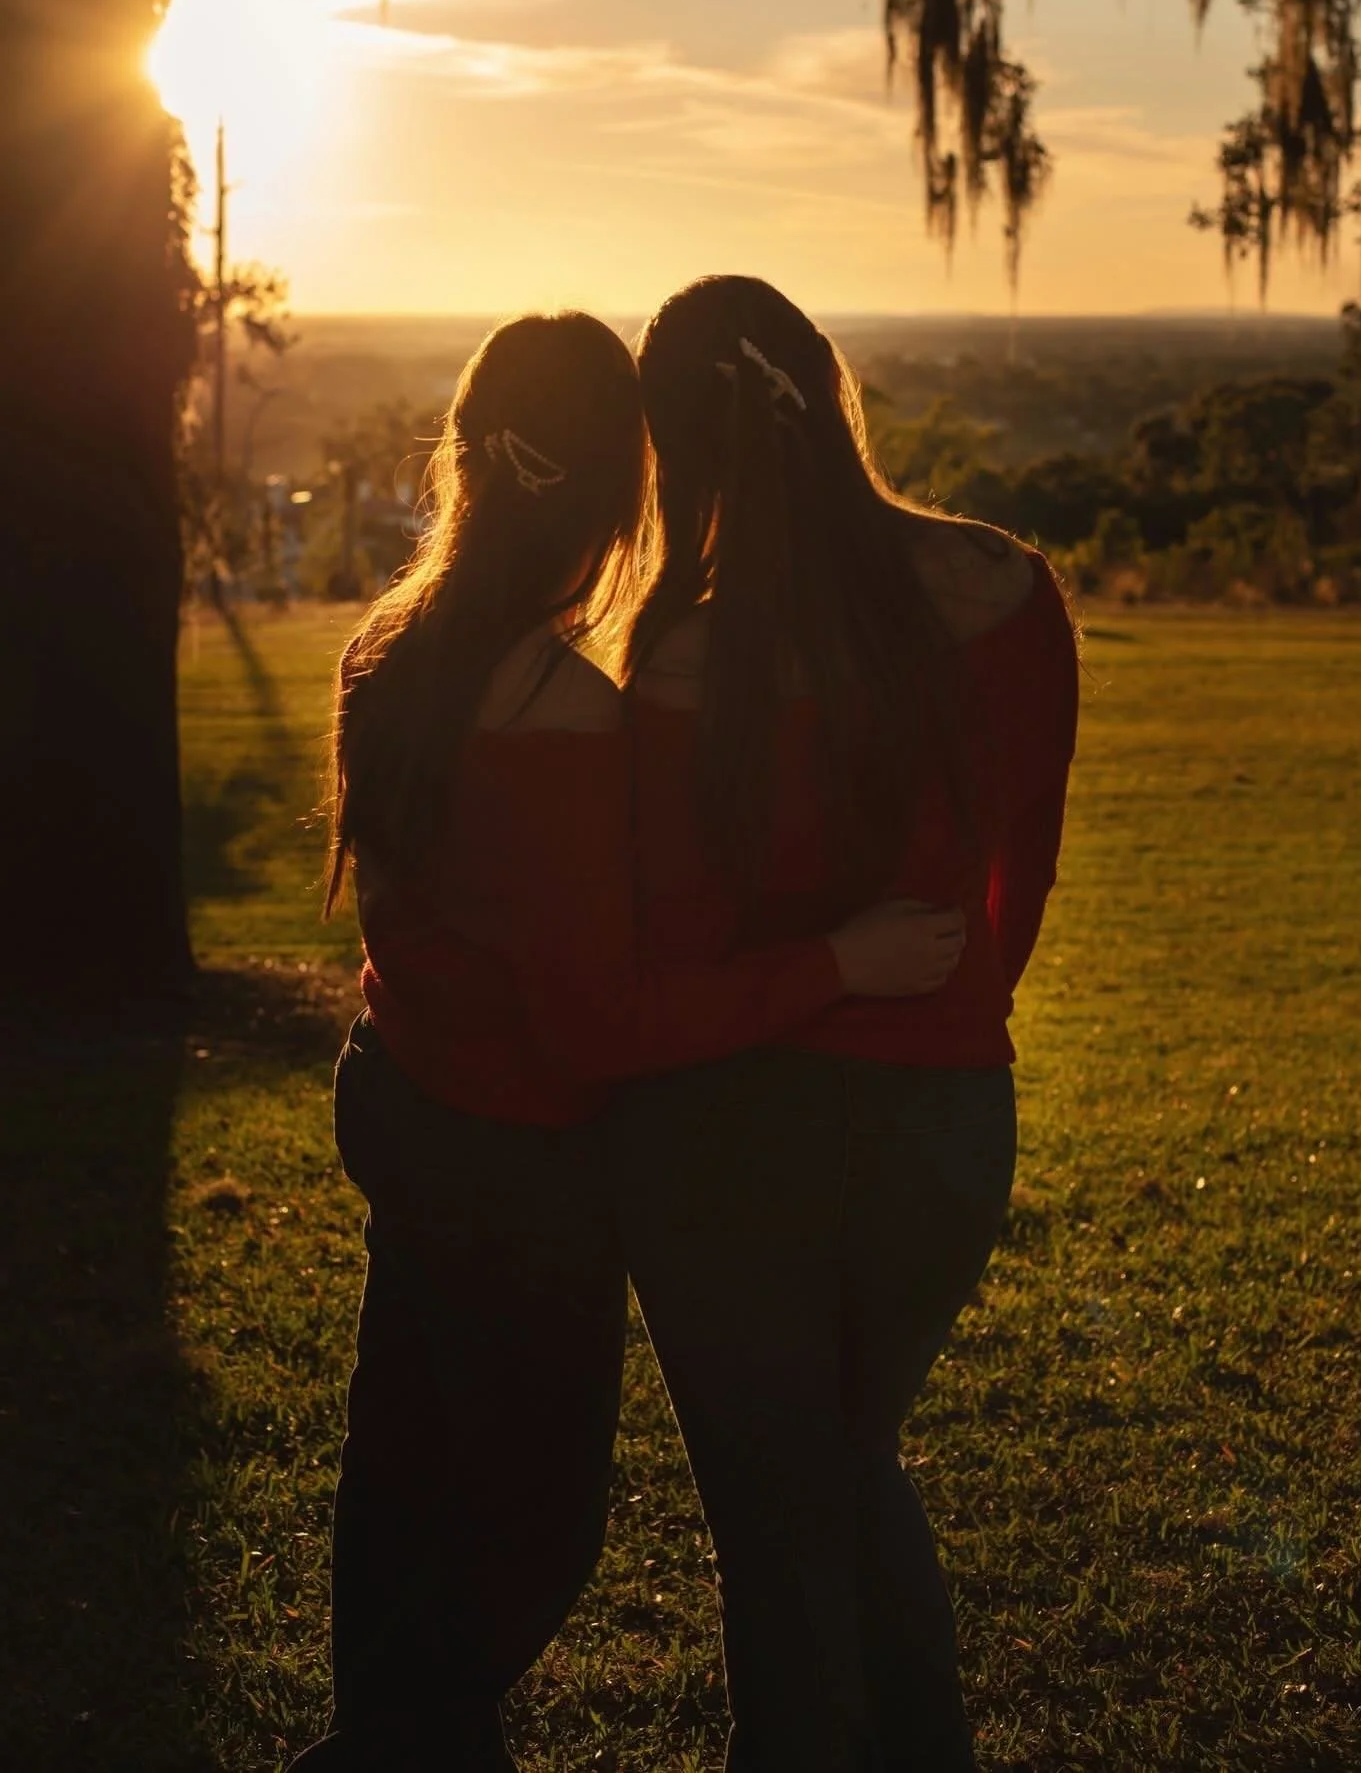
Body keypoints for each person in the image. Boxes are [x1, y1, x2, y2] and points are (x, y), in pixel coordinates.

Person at [291, 310, 971, 1772]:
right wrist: (834, 960)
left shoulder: (385, 650)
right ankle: (373, 1751)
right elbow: (599, 1024)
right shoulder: (560, 711)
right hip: (517, 1156)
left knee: (401, 1463)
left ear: (470, 460)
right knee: (538, 1521)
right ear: (620, 487)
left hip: (400, 1094)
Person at [614, 275, 1080, 1773]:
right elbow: (1023, 867)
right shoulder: (1006, 586)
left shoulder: (681, 659)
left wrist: (822, 977)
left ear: (669, 447)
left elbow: (679, 942)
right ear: (827, 392)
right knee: (843, 1458)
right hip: (946, 1123)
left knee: (779, 1503)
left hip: (736, 1124)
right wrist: (944, 1010)